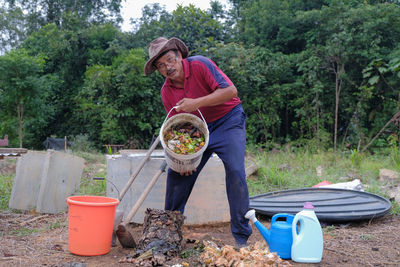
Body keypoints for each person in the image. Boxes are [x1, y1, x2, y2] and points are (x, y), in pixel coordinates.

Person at [144, 37, 252, 246]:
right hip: (195, 132)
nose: (168, 66)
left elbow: (231, 91)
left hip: (228, 121)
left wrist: (196, 103)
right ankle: (168, 236)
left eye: (170, 59)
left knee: (236, 171)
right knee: (176, 176)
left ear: (179, 55)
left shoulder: (200, 64)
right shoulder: (166, 92)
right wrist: (182, 159)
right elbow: (178, 127)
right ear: (158, 70)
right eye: (161, 65)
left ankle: (241, 237)